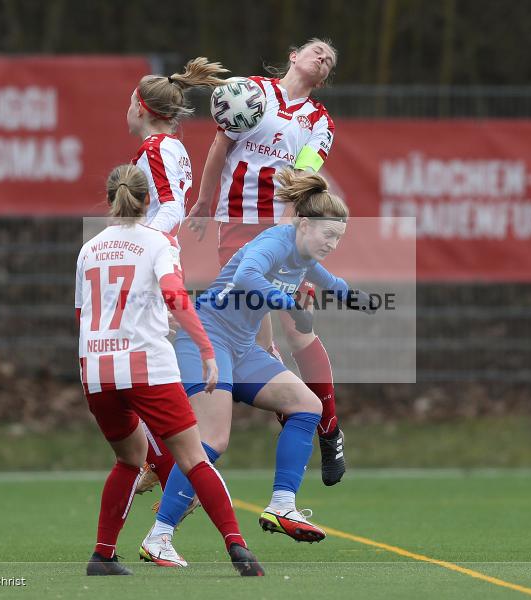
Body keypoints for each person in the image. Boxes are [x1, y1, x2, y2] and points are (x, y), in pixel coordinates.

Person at [139, 169, 375, 567]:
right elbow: (247, 275)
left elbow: (331, 281)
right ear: (303, 224)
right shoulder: (275, 241)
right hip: (207, 338)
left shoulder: (304, 256)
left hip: (242, 347)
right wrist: (291, 305)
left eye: (338, 238)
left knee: (308, 406)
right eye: (328, 235)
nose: (332, 244)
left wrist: (358, 299)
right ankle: (159, 535)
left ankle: (282, 505)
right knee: (211, 440)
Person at [77, 164, 263, 577]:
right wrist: (206, 350)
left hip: (97, 369)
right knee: (195, 458)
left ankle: (103, 556)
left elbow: (83, 314)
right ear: (149, 201)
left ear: (110, 200)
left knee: (129, 460)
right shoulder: (158, 242)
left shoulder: (88, 249)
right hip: (146, 366)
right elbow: (175, 295)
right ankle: (239, 549)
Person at [184, 38, 348, 487]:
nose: (323, 57)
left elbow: (302, 177)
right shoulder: (252, 91)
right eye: (317, 50)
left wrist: (288, 234)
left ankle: (328, 427)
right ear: (294, 56)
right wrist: (204, 201)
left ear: (325, 77)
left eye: (329, 59)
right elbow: (220, 146)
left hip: (285, 229)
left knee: (298, 328)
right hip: (237, 226)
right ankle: (296, 411)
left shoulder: (319, 121)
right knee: (253, 341)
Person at [124, 57, 230, 495]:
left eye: (130, 102)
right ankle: (163, 458)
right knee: (145, 365)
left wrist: (139, 244)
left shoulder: (155, 148)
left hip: (152, 264)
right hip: (163, 259)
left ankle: (169, 465)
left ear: (141, 107)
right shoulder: (171, 147)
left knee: (137, 369)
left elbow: (170, 207)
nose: (127, 109)